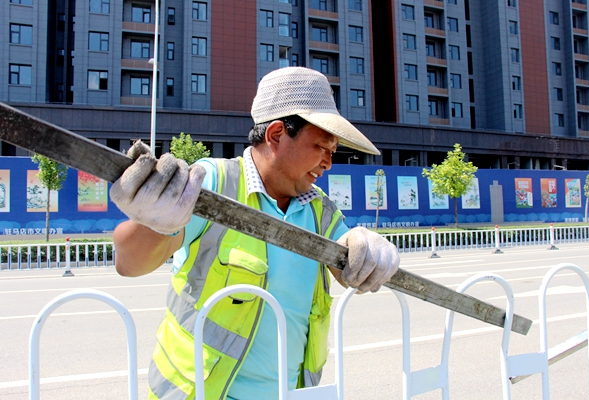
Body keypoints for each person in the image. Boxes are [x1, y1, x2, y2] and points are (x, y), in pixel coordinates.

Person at [110, 67, 400, 400]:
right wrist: (154, 221)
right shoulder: (213, 183)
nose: (328, 163)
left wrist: (368, 249)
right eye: (321, 147)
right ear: (276, 134)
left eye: (333, 152)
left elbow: (349, 259)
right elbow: (129, 262)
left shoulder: (320, 210)